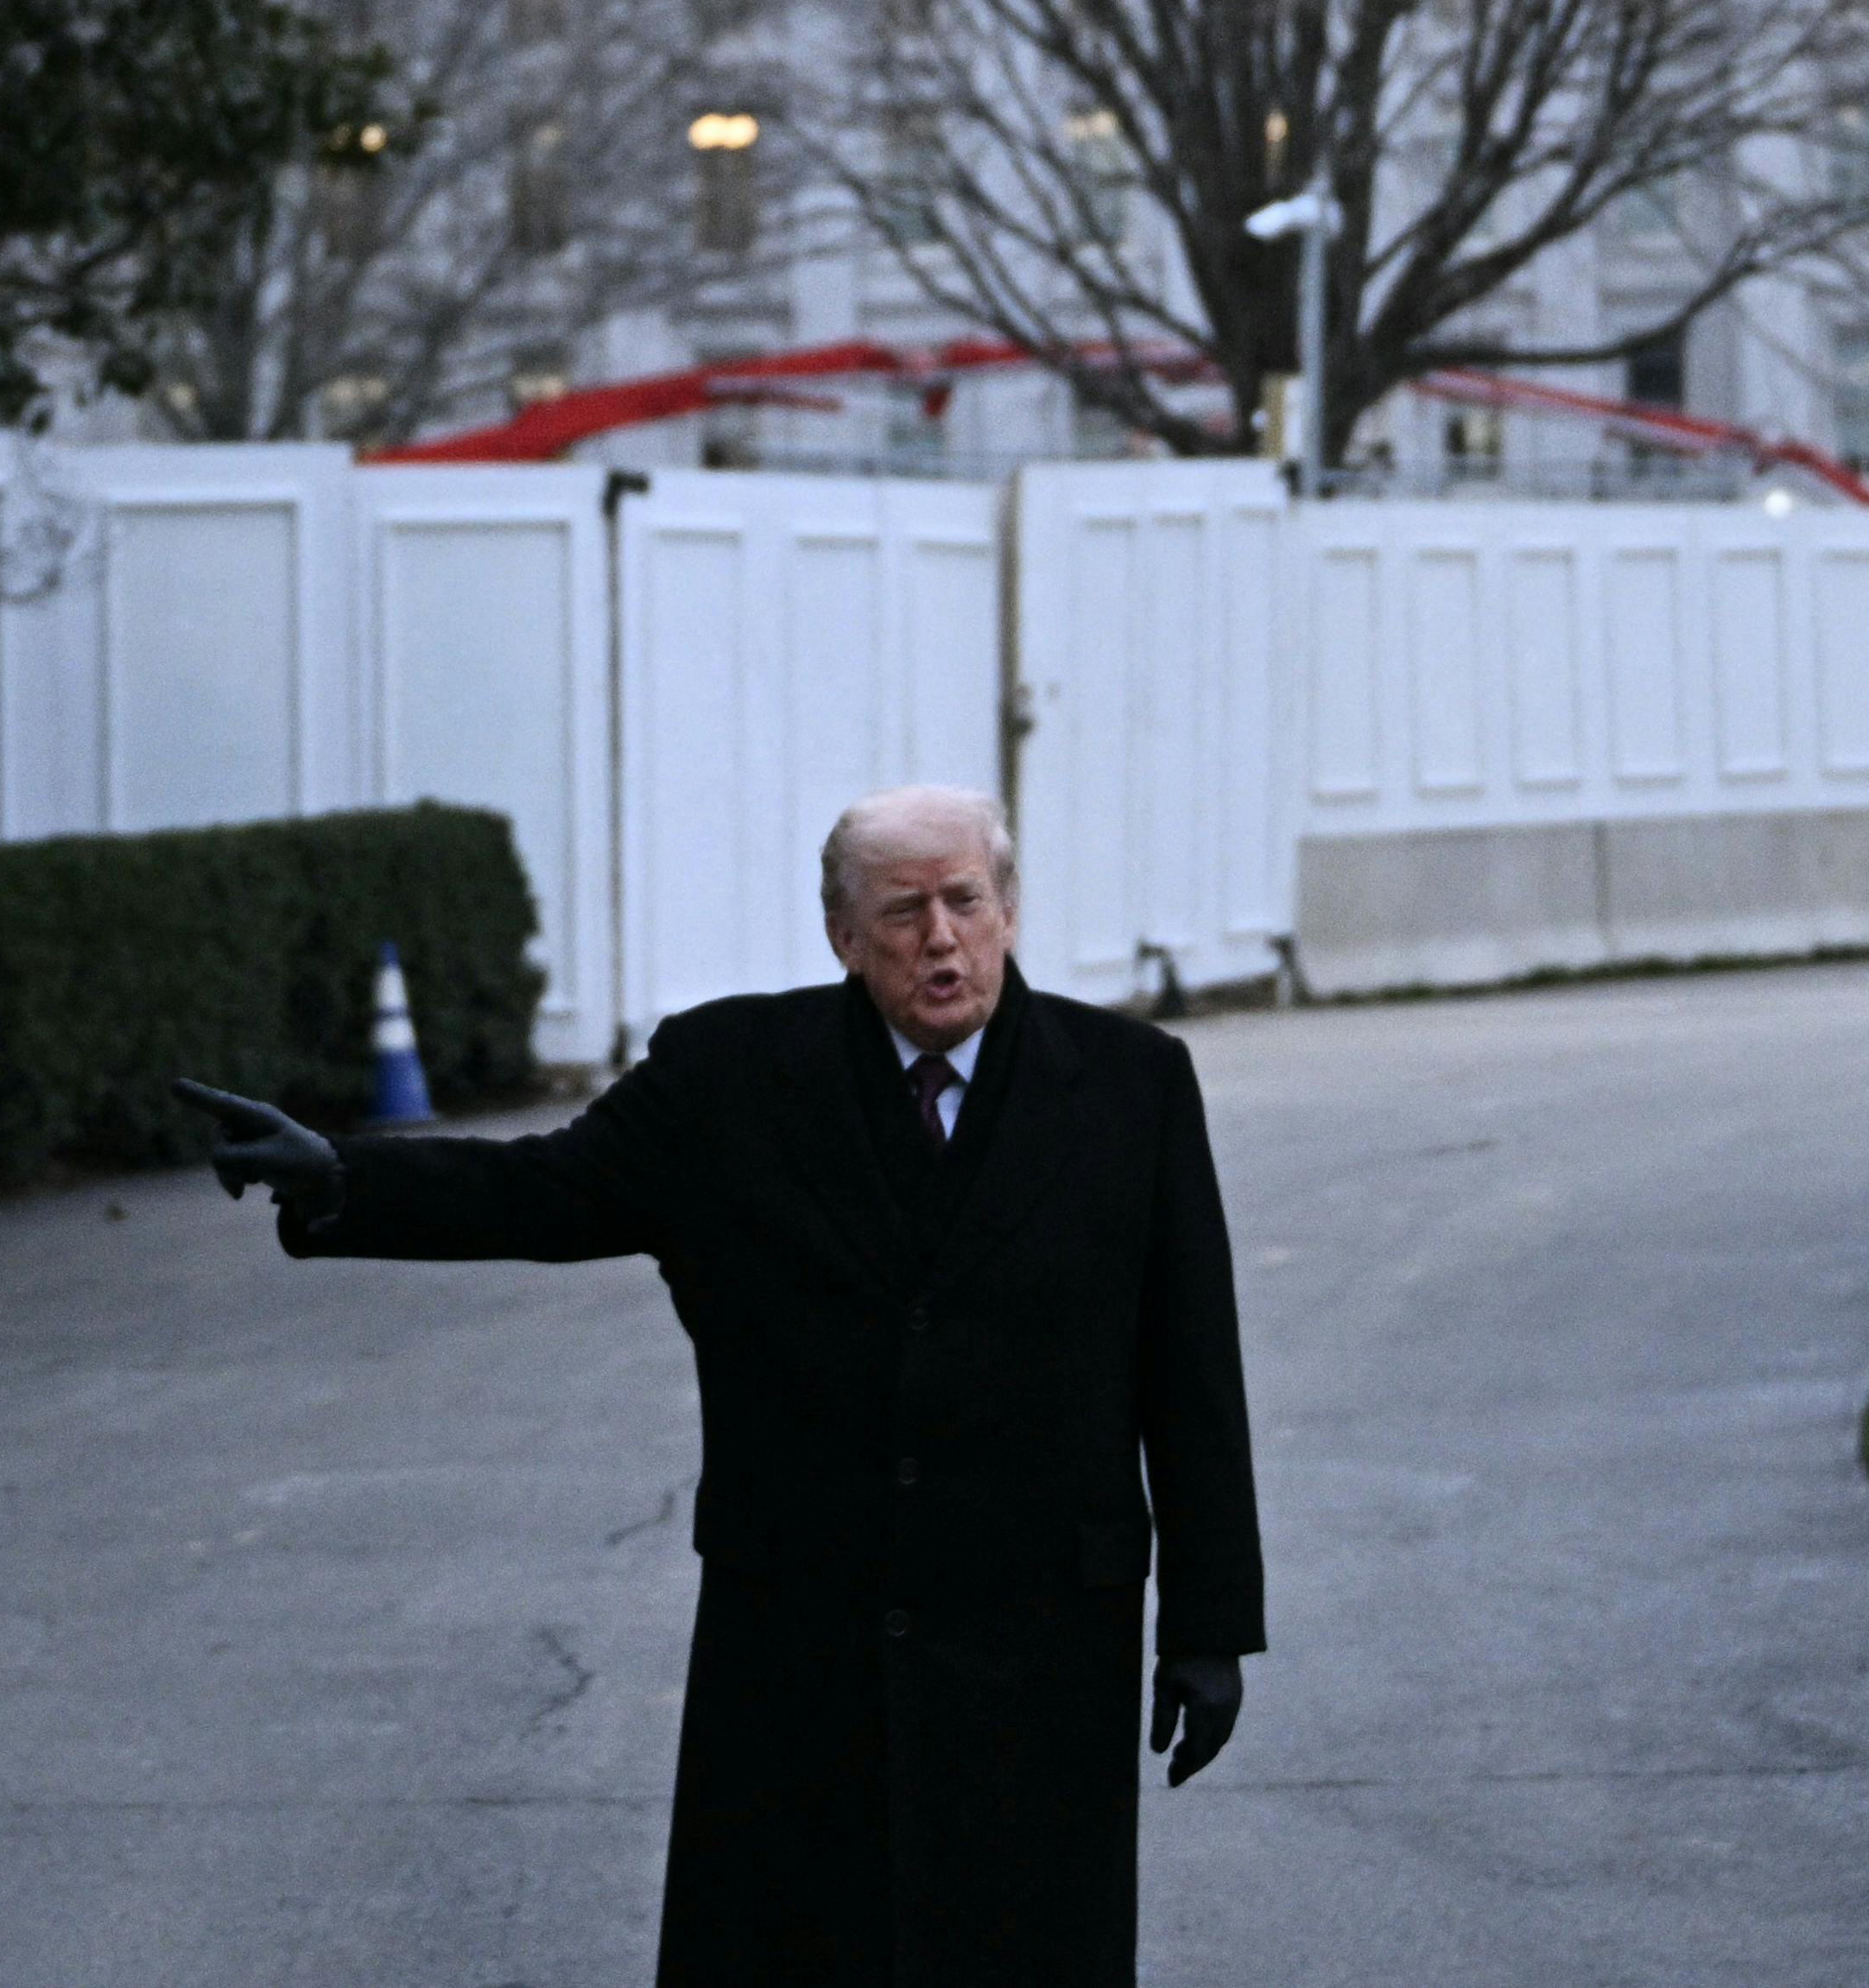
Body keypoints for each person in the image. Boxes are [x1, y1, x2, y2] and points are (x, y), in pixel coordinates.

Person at [178, 784, 1259, 1988]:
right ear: (844, 937)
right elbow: (548, 1188)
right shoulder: (734, 1074)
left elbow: (1191, 1367)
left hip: (1040, 1642)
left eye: (966, 901)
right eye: (903, 912)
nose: (941, 938)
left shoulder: (1131, 1085)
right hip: (800, 1634)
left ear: (1009, 909)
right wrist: (340, 1178)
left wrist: (1211, 1628)